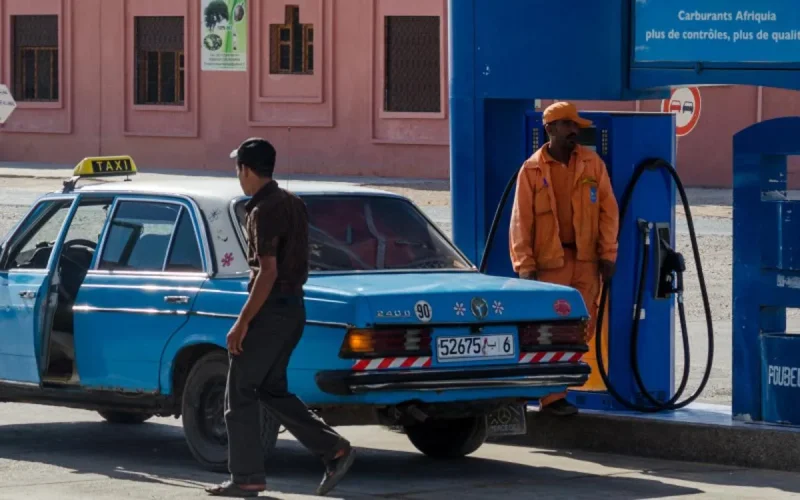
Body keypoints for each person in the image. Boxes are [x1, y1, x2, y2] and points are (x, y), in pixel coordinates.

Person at [206, 138, 355, 497]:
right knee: (271, 390)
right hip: (294, 310)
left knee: (240, 391)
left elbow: (267, 272)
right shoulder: (293, 203)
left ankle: (246, 478)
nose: (237, 176)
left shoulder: (262, 211)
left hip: (270, 312)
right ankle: (333, 449)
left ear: (246, 169)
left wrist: (242, 322)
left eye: (238, 169)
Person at [509, 102, 619, 417]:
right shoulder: (531, 169)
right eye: (568, 125)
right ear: (551, 129)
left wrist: (607, 253)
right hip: (550, 264)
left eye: (576, 126)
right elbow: (521, 221)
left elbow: (608, 211)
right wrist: (525, 266)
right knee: (551, 328)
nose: (575, 131)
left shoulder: (591, 162)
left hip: (585, 260)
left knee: (582, 327)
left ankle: (566, 388)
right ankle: (552, 396)